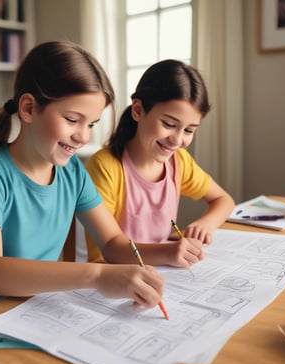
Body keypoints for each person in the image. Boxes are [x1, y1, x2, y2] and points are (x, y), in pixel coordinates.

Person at [0, 41, 164, 321]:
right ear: (29, 108)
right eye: (72, 119)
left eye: (91, 124)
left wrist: (168, 253)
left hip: (31, 311)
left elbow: (114, 242)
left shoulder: (73, 173)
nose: (83, 136)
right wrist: (97, 274)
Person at [85, 59, 235, 266]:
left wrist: (205, 225)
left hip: (162, 272)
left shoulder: (179, 162)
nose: (177, 139)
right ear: (138, 110)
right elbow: (108, 251)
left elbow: (223, 200)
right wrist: (166, 252)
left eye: (189, 130)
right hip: (112, 276)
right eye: (169, 124)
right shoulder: (105, 167)